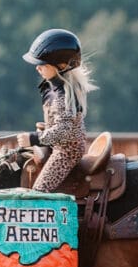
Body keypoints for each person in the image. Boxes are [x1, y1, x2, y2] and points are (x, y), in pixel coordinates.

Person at [16, 28, 97, 193]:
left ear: (61, 65)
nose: (37, 68)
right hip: (56, 143)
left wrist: (33, 138)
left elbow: (64, 130)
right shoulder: (52, 87)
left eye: (42, 65)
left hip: (66, 150)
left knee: (39, 191)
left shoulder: (62, 95)